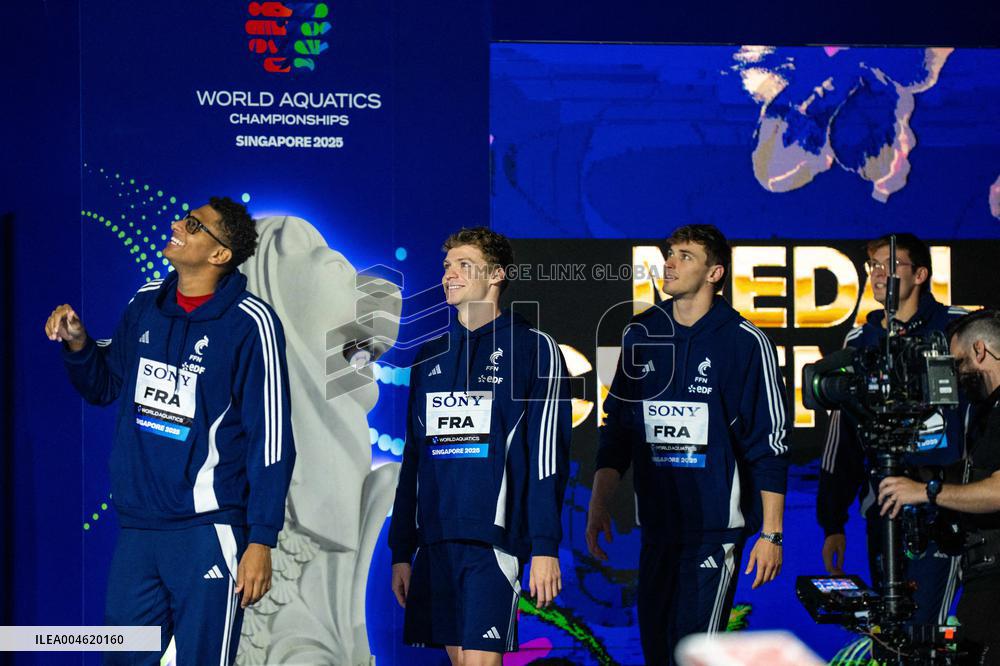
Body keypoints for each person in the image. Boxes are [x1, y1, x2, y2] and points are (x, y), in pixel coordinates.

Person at [44, 197, 295, 665]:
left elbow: (272, 439)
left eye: (195, 225)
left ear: (220, 254)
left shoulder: (252, 324)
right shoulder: (146, 301)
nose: (178, 224)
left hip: (207, 531)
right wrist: (78, 343)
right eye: (184, 216)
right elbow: (106, 384)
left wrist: (261, 539)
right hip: (138, 531)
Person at [586, 224, 788, 666]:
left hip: (713, 534)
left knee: (696, 659)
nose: (670, 263)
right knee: (660, 657)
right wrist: (599, 505)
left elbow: (768, 445)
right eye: (669, 254)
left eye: (685, 256)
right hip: (657, 532)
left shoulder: (745, 342)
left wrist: (771, 533)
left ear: (715, 272)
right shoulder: (641, 333)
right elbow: (617, 430)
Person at [388, 226, 571, 666]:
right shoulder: (429, 355)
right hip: (434, 543)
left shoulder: (534, 349)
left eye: (463, 265)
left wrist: (544, 545)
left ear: (496, 275)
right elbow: (414, 458)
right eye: (447, 265)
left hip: (492, 540)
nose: (449, 274)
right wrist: (402, 550)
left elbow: (548, 455)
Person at [817, 233, 966, 625]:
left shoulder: (956, 329)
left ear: (919, 274)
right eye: (874, 267)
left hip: (943, 502)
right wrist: (833, 521)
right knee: (890, 628)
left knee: (927, 630)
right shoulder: (860, 339)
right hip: (883, 504)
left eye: (891, 265)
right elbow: (843, 437)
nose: (880, 275)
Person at [879, 309, 1000, 664]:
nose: (955, 378)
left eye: (957, 363)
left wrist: (925, 491)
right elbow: (979, 475)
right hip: (984, 573)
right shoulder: (986, 412)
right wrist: (922, 474)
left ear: (980, 351)